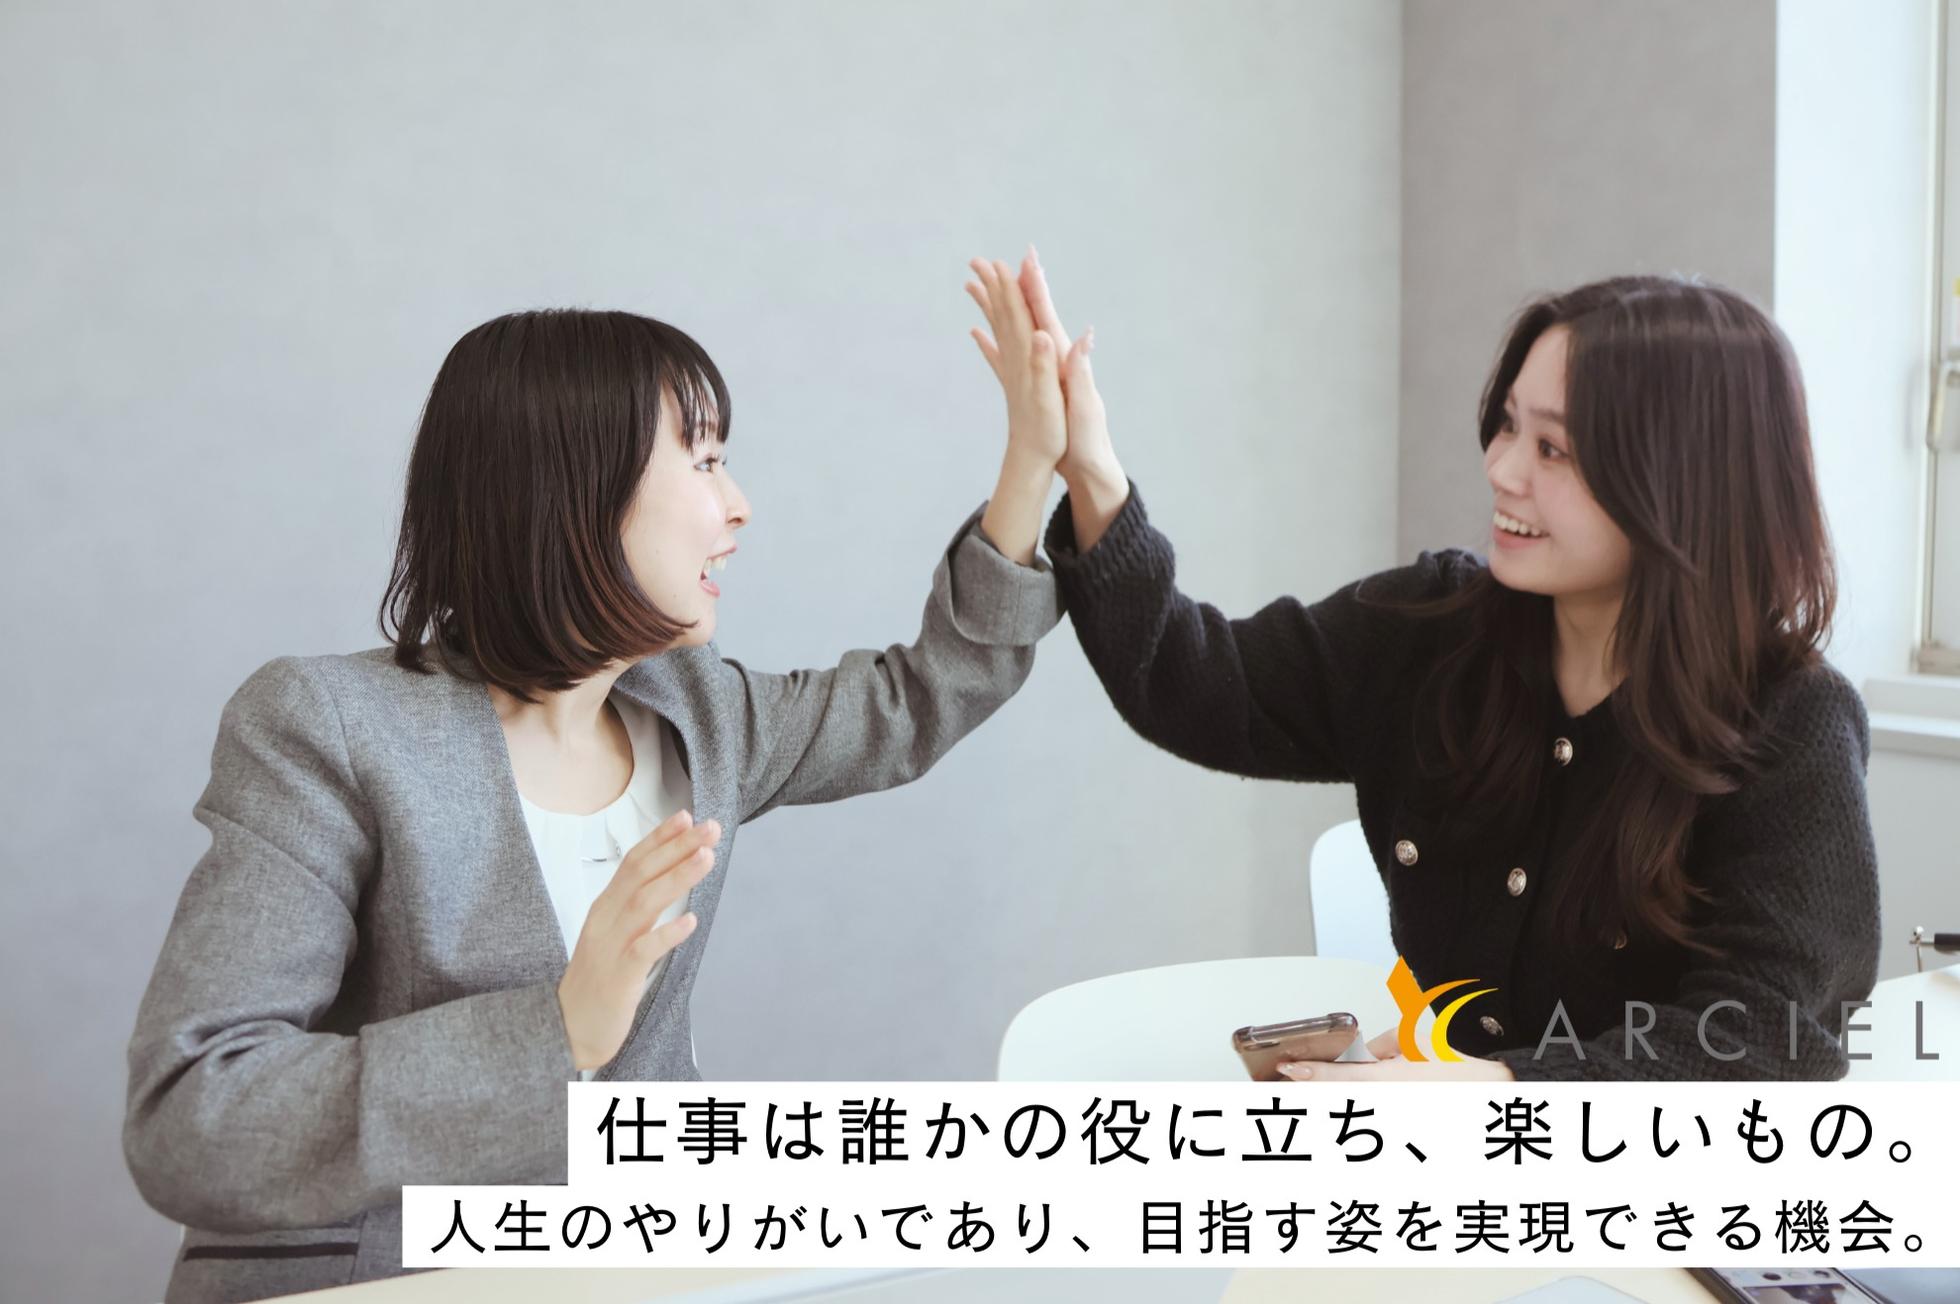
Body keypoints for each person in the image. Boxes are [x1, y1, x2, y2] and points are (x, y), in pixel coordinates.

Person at [123, 289, 1069, 1302]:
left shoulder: (702, 715)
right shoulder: (331, 728)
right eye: (703, 462)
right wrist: (557, 1030)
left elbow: (918, 696)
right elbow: (193, 1117)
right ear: (573, 493)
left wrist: (1030, 463)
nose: (739, 503)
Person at [965, 252, 1880, 1083]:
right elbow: (1195, 685)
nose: (1502, 468)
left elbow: (1767, 1036)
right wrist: (1089, 470)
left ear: (1683, 488)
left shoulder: (1789, 722)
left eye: (1552, 449)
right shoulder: (1432, 630)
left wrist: (1482, 1092)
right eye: (1507, 426)